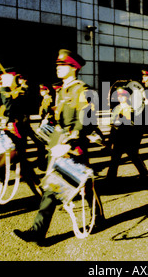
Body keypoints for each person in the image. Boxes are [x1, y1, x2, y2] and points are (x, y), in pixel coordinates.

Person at [12, 49, 105, 244]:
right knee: (66, 184)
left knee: (76, 184)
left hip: (72, 144)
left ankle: (40, 230)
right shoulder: (62, 90)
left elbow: (85, 119)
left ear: (73, 68)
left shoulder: (81, 89)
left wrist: (72, 141)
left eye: (62, 65)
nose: (58, 68)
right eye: (57, 65)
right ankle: (40, 231)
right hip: (59, 142)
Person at [0, 70, 43, 219]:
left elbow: (10, 108)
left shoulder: (21, 92)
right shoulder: (8, 91)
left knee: (14, 169)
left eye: (6, 77)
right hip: (7, 133)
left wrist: (3, 90)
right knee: (9, 169)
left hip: (17, 134)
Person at [106, 87, 148, 180]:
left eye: (123, 96)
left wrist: (122, 118)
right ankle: (111, 177)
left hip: (128, 135)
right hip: (118, 135)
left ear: (127, 97)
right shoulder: (116, 108)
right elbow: (113, 124)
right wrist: (110, 140)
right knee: (115, 157)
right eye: (119, 96)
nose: (120, 97)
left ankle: (143, 172)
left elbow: (130, 122)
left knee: (133, 156)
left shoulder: (131, 108)